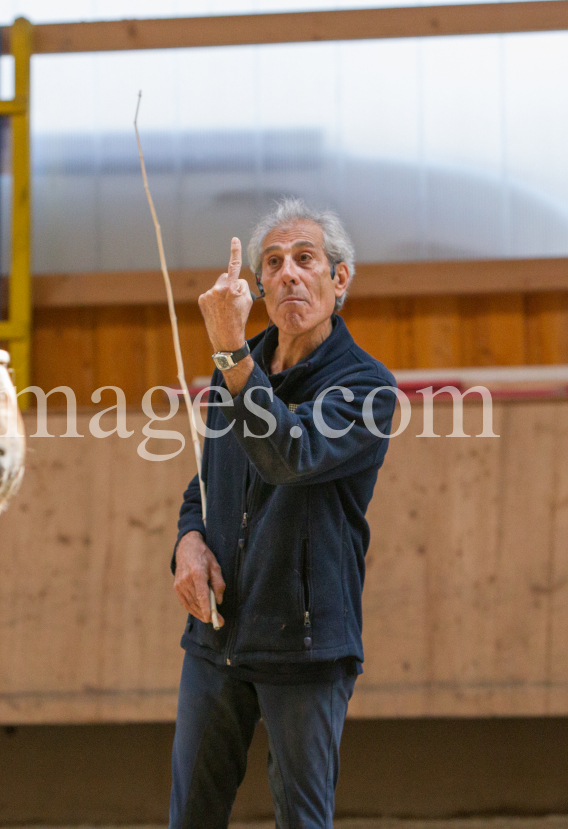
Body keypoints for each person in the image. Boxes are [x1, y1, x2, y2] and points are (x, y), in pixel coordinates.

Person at [169, 198, 397, 829]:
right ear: (260, 285)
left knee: (301, 821)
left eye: (306, 259)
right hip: (217, 640)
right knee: (190, 817)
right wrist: (189, 542)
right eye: (274, 263)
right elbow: (207, 486)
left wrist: (230, 353)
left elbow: (286, 456)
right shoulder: (232, 369)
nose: (290, 273)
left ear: (339, 278)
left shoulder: (367, 387)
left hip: (307, 648)